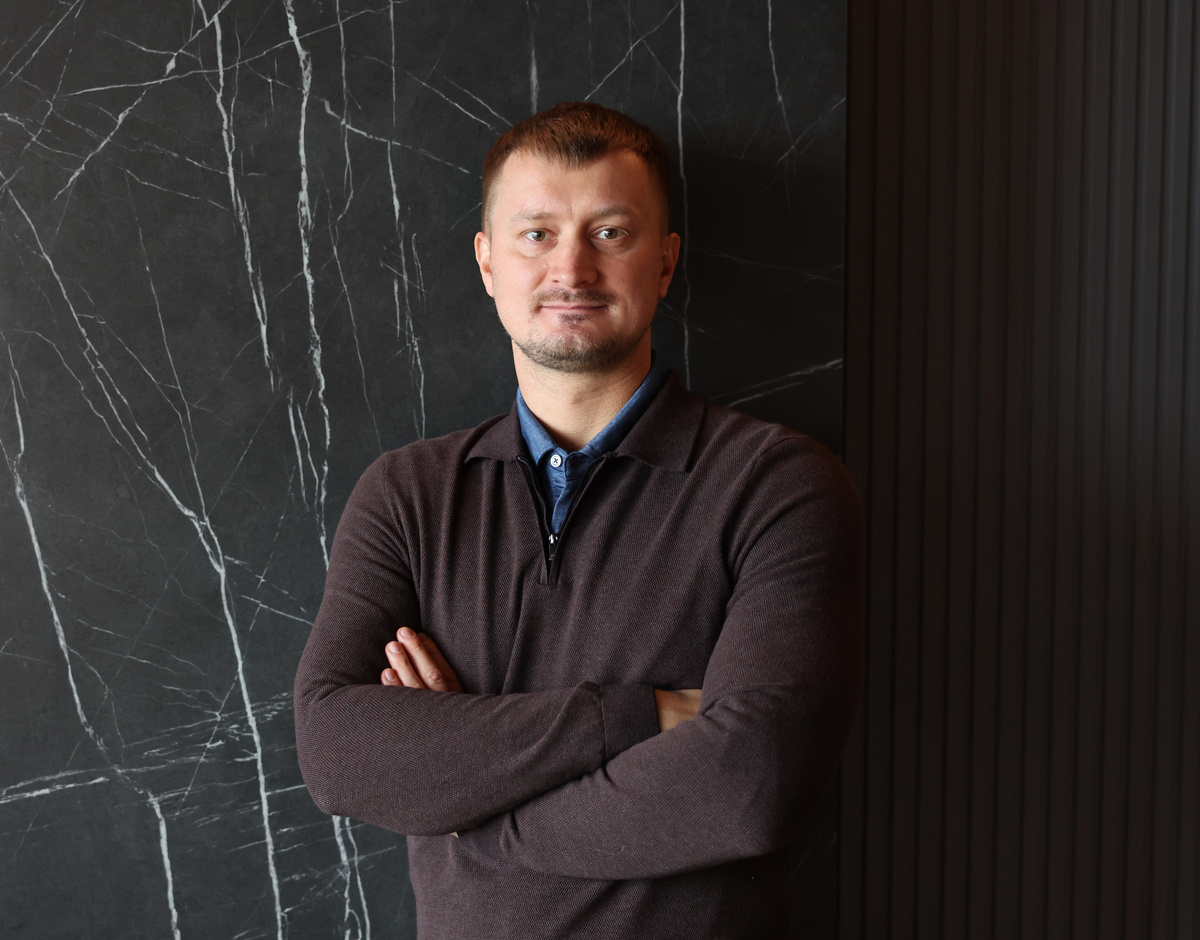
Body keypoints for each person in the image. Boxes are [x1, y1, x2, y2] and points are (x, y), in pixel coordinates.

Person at [294, 101, 864, 939]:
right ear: (488, 263)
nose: (572, 268)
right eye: (536, 234)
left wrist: (472, 812)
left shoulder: (777, 484)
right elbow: (338, 753)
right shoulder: (408, 494)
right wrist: (633, 717)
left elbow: (751, 784)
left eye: (610, 233)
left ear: (664, 261)